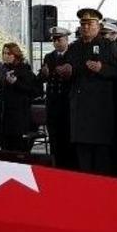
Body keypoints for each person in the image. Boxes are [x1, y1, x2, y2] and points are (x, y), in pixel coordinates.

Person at [60, 8, 117, 174]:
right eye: (83, 24)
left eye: (89, 24)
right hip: (80, 108)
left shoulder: (107, 45)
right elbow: (70, 69)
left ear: (98, 25)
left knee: (100, 158)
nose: (85, 27)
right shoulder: (74, 47)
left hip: (99, 109)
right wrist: (66, 70)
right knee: (82, 157)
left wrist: (102, 68)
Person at [38, 27, 76, 169]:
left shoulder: (72, 55)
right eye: (54, 40)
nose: (57, 43)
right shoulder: (49, 57)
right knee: (54, 141)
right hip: (53, 105)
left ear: (66, 39)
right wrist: (44, 74)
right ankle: (56, 167)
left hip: (67, 104)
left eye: (59, 40)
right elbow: (42, 78)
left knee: (67, 142)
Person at [0, 43, 37, 152]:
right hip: (4, 115)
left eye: (8, 53)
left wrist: (15, 83)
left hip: (19, 116)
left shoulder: (24, 70)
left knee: (18, 149)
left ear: (16, 55)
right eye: (4, 53)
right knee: (5, 150)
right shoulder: (2, 69)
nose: (5, 56)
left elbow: (33, 91)